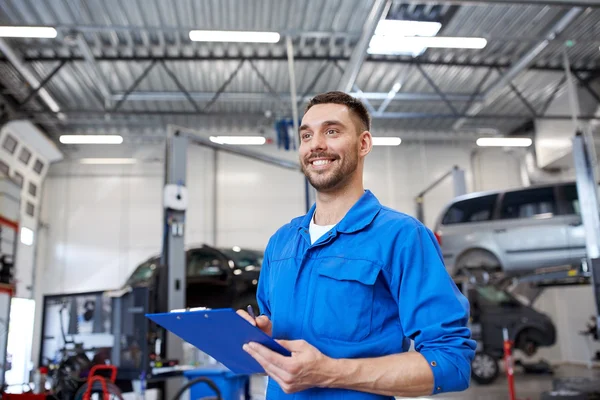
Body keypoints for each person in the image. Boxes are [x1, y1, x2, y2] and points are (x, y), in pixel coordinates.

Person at [237, 91, 476, 399]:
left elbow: (451, 361)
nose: (316, 144)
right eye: (306, 135)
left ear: (363, 144)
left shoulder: (401, 237)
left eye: (332, 131)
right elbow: (278, 336)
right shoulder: (281, 242)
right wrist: (264, 337)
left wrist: (330, 372)